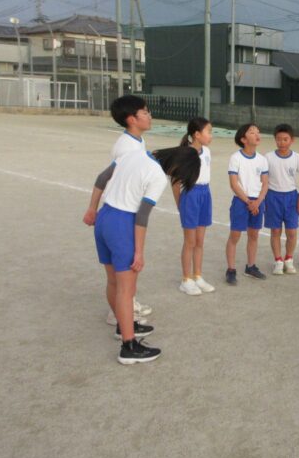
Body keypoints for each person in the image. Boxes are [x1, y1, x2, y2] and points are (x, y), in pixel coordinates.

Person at [83, 145, 201, 364]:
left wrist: (92, 208)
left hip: (104, 217)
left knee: (113, 282)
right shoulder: (157, 176)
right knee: (126, 289)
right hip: (122, 224)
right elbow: (142, 216)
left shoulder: (133, 153)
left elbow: (101, 178)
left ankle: (123, 326)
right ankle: (128, 346)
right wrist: (139, 252)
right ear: (177, 166)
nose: (176, 179)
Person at [89, 95, 155, 324]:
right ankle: (119, 314)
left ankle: (127, 305)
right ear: (131, 119)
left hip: (122, 210)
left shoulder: (136, 141)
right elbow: (103, 177)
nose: (149, 115)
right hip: (122, 212)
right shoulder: (127, 147)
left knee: (123, 271)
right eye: (144, 112)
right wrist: (91, 209)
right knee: (123, 271)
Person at [174, 117, 215, 296]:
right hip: (190, 195)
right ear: (197, 134)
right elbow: (175, 182)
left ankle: (197, 276)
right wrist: (180, 203)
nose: (211, 135)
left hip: (205, 193)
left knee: (199, 241)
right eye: (209, 132)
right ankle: (186, 279)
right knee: (190, 241)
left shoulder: (207, 151)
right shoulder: (184, 154)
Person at [225, 123, 269, 284]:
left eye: (258, 132)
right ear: (243, 139)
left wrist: (258, 202)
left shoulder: (262, 160)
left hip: (257, 202)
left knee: (254, 235)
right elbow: (234, 184)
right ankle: (231, 269)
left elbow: (265, 184)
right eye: (252, 132)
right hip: (241, 201)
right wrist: (248, 201)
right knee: (235, 235)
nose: (257, 135)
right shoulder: (235, 158)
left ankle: (250, 266)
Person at [264, 124, 299, 275]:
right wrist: (263, 199)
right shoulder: (268, 157)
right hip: (273, 197)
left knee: (291, 232)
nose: (281, 142)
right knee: (275, 231)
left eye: (285, 139)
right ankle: (278, 260)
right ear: (275, 139)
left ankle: (289, 259)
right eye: (278, 139)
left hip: (291, 197)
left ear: (292, 140)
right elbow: (263, 180)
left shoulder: (297, 157)